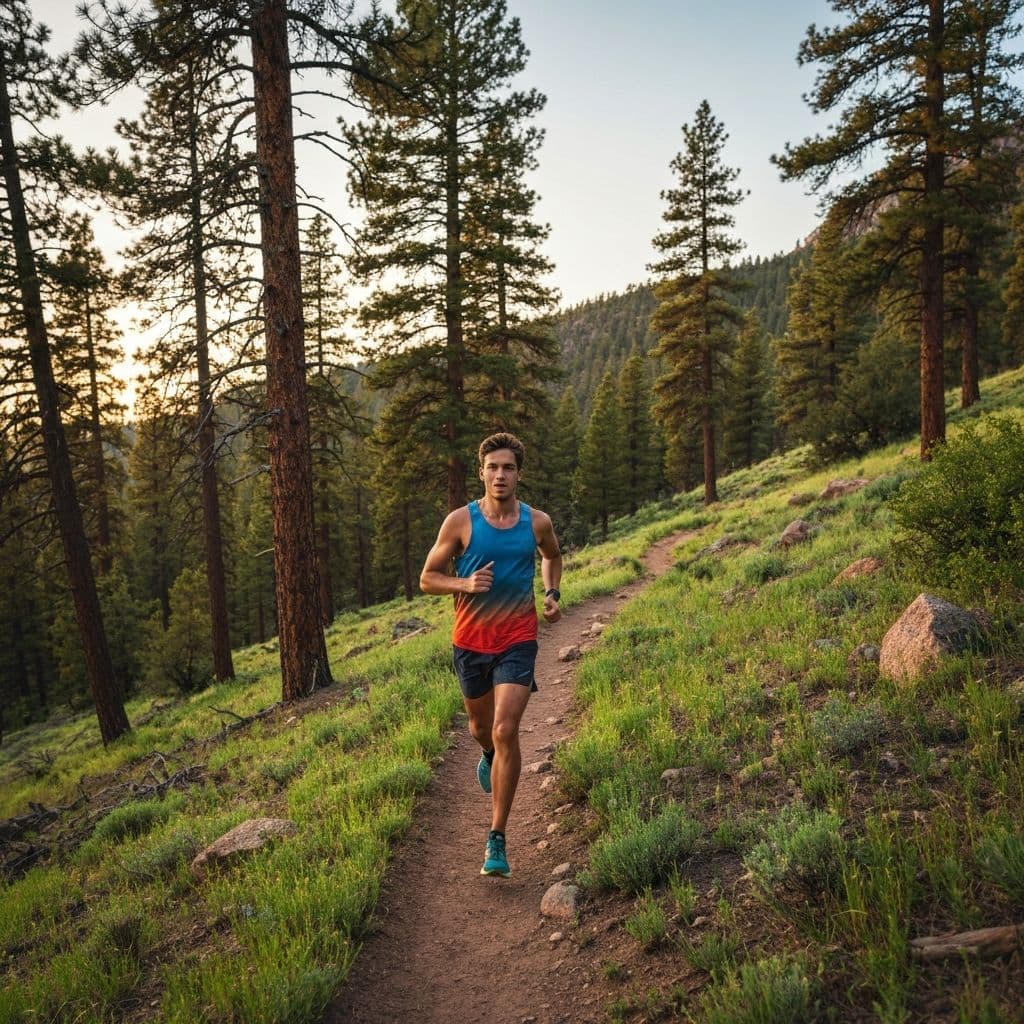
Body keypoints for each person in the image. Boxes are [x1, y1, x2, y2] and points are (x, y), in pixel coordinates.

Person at [420, 432, 562, 878]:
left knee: (506, 728)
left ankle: (497, 837)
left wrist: (552, 592)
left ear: (519, 474)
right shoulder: (459, 522)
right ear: (481, 472)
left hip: (518, 639)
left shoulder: (536, 522)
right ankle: (486, 753)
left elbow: (552, 556)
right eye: (493, 467)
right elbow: (427, 578)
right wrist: (463, 584)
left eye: (508, 468)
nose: (500, 475)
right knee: (482, 727)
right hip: (469, 642)